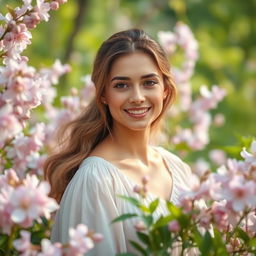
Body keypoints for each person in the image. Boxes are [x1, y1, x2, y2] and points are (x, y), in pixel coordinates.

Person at [44, 28, 193, 255]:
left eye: (149, 82)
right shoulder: (95, 180)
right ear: (103, 94)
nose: (137, 97)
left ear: (165, 89)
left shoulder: (177, 168)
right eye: (121, 85)